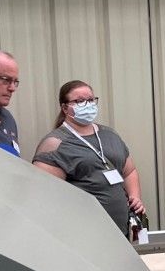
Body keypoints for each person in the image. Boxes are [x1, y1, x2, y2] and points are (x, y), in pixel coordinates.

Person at [31, 80, 146, 237]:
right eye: (79, 101)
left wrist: (135, 196)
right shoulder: (55, 143)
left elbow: (129, 171)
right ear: (65, 108)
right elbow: (46, 194)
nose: (87, 104)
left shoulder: (109, 135)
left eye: (91, 100)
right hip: (85, 234)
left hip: (120, 232)